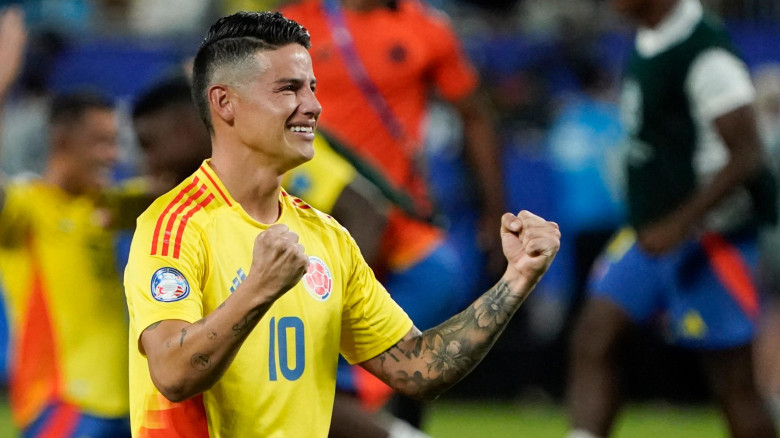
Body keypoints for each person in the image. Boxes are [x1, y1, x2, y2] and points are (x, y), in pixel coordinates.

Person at [123, 11, 560, 437]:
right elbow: (173, 374)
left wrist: (516, 279)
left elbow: (420, 367)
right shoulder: (173, 227)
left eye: (312, 88)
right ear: (224, 102)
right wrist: (259, 289)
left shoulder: (327, 236)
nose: (313, 106)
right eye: (289, 89)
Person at [279, 0, 506, 427]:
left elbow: (475, 116)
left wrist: (493, 212)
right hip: (315, 220)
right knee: (365, 367)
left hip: (400, 224)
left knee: (404, 351)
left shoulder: (427, 28)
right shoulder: (295, 22)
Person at [566, 0, 778, 437]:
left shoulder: (706, 53)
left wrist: (680, 223)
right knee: (594, 335)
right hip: (649, 232)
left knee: (733, 381)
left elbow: (748, 155)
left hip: (712, 236)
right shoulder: (652, 37)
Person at [0, 8, 132, 436]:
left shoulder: (111, 203)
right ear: (61, 140)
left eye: (115, 142)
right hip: (62, 404)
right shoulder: (25, 207)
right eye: (100, 142)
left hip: (126, 405)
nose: (113, 156)